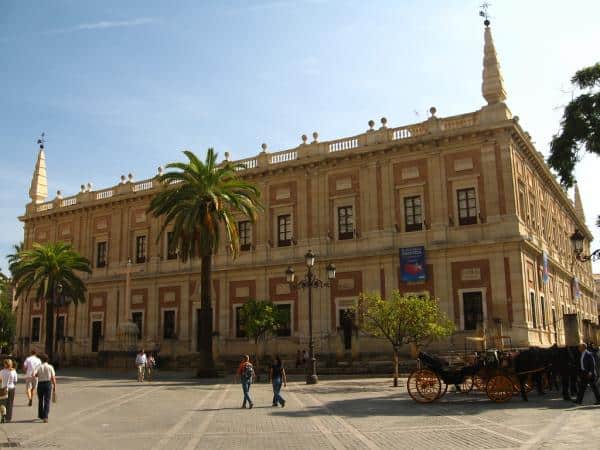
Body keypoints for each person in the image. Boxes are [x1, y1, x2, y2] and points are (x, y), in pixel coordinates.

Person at [34, 353, 56, 423]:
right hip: (48, 384)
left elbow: (34, 375)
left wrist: (39, 375)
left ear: (41, 360)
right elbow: (53, 377)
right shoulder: (50, 367)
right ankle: (45, 416)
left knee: (40, 400)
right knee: (47, 400)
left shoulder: (38, 367)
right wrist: (55, 386)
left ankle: (40, 415)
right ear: (47, 360)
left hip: (40, 384)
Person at [0, 359, 18, 423]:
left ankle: (3, 415)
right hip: (11, 388)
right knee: (10, 403)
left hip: (3, 389)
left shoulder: (1, 371)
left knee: (2, 403)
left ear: (5, 364)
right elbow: (15, 381)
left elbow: (0, 380)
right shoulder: (14, 372)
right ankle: (8, 418)